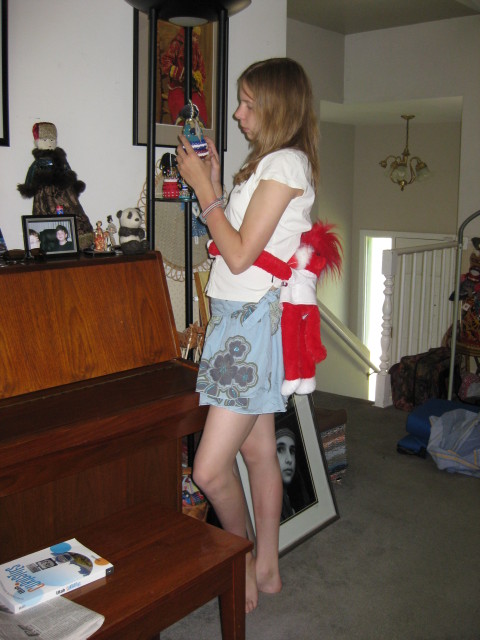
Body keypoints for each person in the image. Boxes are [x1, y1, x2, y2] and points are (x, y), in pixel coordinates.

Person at [175, 57, 320, 613]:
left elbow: (236, 255)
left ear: (276, 106)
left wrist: (202, 190)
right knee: (259, 452)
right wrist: (213, 181)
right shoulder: (272, 163)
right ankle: (268, 567)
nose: (237, 113)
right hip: (240, 319)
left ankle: (238, 560)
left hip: (248, 325)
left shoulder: (285, 163)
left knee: (208, 469)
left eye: (248, 102)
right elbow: (244, 243)